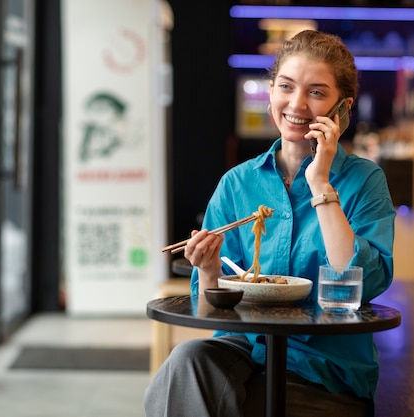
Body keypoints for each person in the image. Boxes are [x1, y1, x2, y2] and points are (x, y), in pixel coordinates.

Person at [144, 30, 396, 417]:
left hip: (323, 368)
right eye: (286, 86)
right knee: (185, 363)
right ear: (271, 91)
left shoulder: (364, 181)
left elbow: (365, 284)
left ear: (342, 108)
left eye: (316, 92)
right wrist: (209, 269)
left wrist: (321, 184)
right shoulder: (238, 183)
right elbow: (210, 312)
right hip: (244, 350)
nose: (296, 104)